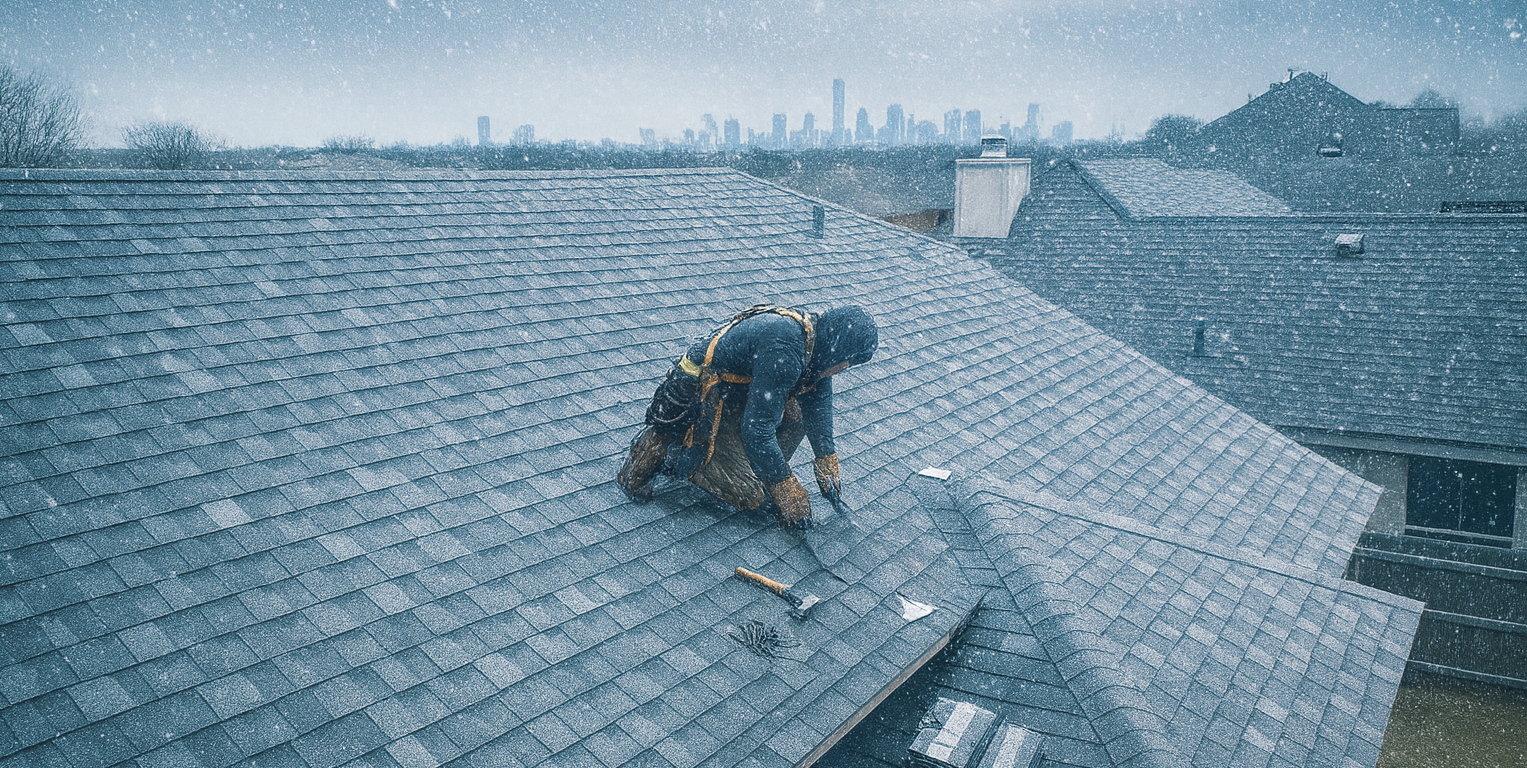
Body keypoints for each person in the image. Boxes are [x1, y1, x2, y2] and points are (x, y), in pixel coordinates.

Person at [617, 304, 878, 526]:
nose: (844, 368)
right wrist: (784, 487)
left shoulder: (816, 345)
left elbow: (818, 400)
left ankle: (758, 465)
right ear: (837, 347)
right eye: (848, 361)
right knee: (751, 497)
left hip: (740, 393)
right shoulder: (786, 350)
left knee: (797, 413)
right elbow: (757, 430)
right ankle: (681, 456)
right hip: (702, 393)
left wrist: (826, 456)